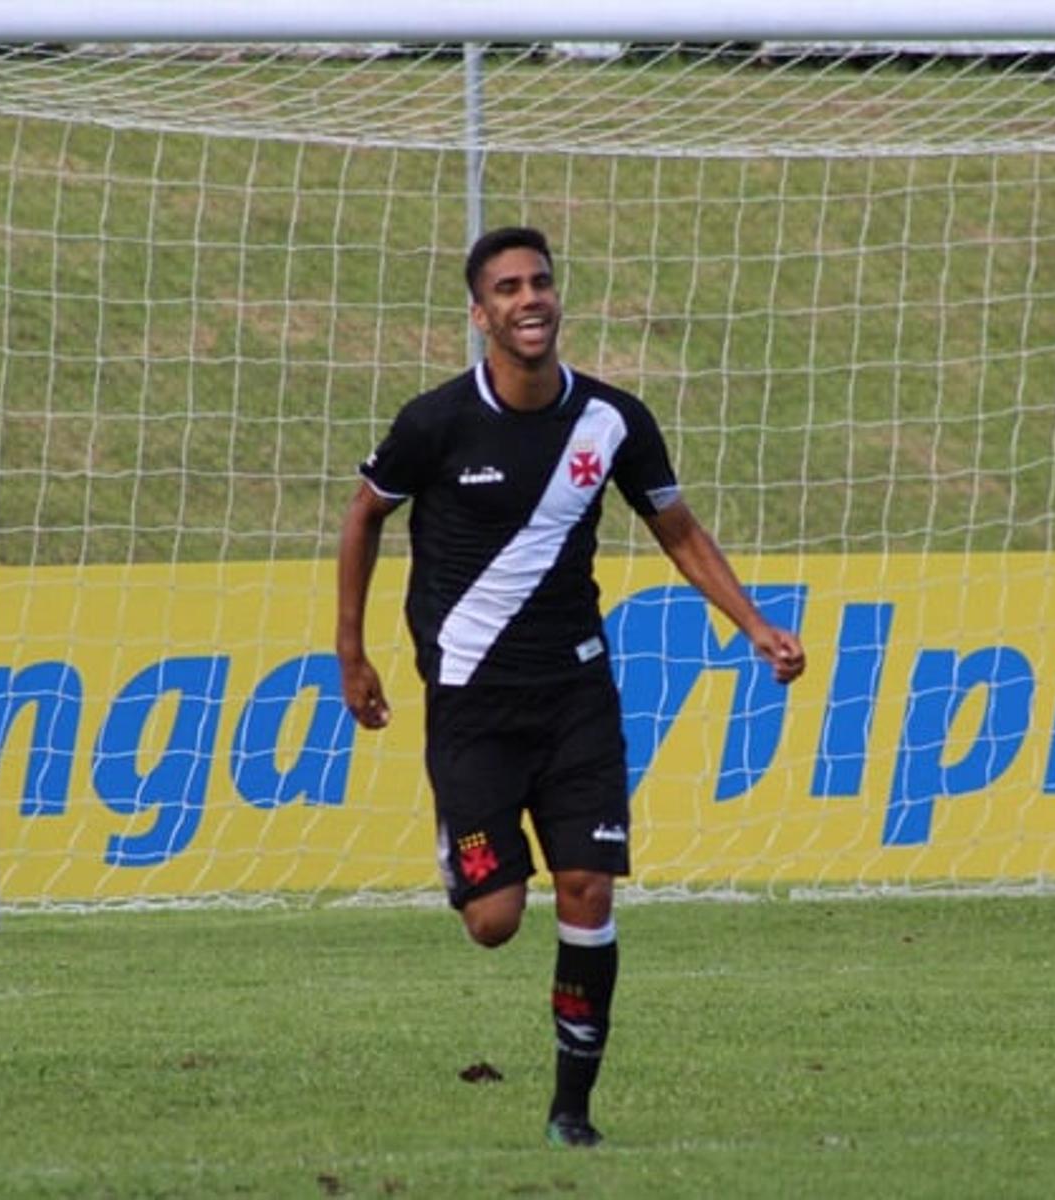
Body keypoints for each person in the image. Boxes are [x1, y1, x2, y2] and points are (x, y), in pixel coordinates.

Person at [336, 226, 807, 1145]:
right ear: (480, 314)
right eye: (507, 288)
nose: (529, 299)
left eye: (540, 283)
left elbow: (676, 528)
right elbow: (364, 518)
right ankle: (464, 848)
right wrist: (350, 654)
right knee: (495, 921)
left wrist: (753, 625)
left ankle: (571, 1111)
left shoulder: (612, 420)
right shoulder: (435, 422)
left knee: (587, 887)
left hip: (576, 695)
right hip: (470, 701)